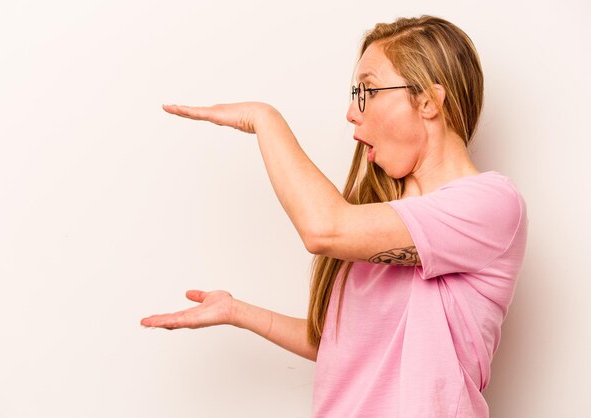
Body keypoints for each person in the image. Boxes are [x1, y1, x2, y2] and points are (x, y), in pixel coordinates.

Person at [140, 15, 528, 418]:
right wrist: (237, 311)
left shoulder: (491, 204)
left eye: (369, 91)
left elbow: (323, 228)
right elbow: (343, 344)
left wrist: (264, 119)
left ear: (428, 101)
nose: (351, 112)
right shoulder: (377, 222)